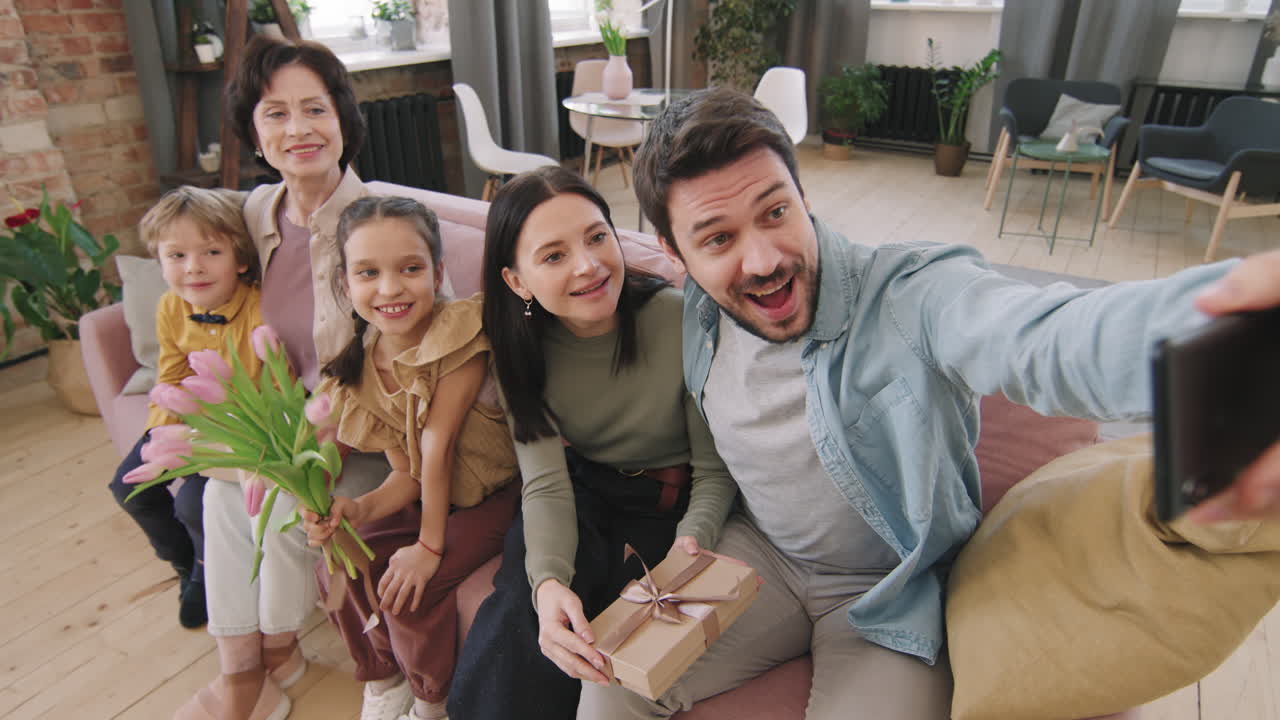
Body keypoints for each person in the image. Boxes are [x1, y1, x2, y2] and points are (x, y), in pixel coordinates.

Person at [574, 86, 1280, 720]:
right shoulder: (694, 314)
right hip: (754, 556)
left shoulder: (912, 293)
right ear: (675, 252)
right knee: (608, 682)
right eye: (718, 239)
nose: (763, 259)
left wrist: (1225, 334)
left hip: (888, 587)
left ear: (803, 194)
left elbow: (1044, 337)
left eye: (776, 211)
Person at [446, 166, 739, 720]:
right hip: (584, 490)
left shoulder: (678, 320)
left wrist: (692, 541)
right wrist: (548, 584)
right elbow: (546, 482)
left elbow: (714, 470)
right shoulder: (520, 350)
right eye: (553, 255)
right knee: (529, 605)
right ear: (517, 281)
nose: (587, 265)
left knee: (601, 630)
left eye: (597, 237)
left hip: (664, 506)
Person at [180, 35, 392, 720]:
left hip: (361, 428)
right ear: (254, 133)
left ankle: (274, 655)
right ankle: (246, 666)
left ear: (343, 120)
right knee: (220, 495)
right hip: (286, 417)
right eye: (276, 113)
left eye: (315, 109)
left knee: (272, 501)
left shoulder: (378, 224)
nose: (298, 128)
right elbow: (193, 264)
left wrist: (306, 440)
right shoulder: (255, 212)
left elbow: (399, 361)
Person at [299, 196, 520, 720]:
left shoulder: (459, 332)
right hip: (437, 497)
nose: (390, 288)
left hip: (501, 496)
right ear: (345, 283)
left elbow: (437, 446)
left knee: (410, 592)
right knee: (345, 554)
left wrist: (428, 545)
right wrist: (358, 510)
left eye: (410, 269)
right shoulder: (362, 370)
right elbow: (408, 475)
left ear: (438, 273)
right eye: (368, 273)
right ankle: (384, 674)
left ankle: (431, 701)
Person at [108, 186, 263, 630]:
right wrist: (162, 434)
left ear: (240, 260)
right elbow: (171, 372)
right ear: (159, 261)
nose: (193, 267)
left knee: (193, 504)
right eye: (176, 256)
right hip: (186, 420)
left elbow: (266, 387)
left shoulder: (259, 309)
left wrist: (200, 444)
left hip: (237, 431)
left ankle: (204, 571)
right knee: (129, 488)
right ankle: (181, 560)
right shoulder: (170, 307)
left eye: (211, 252)